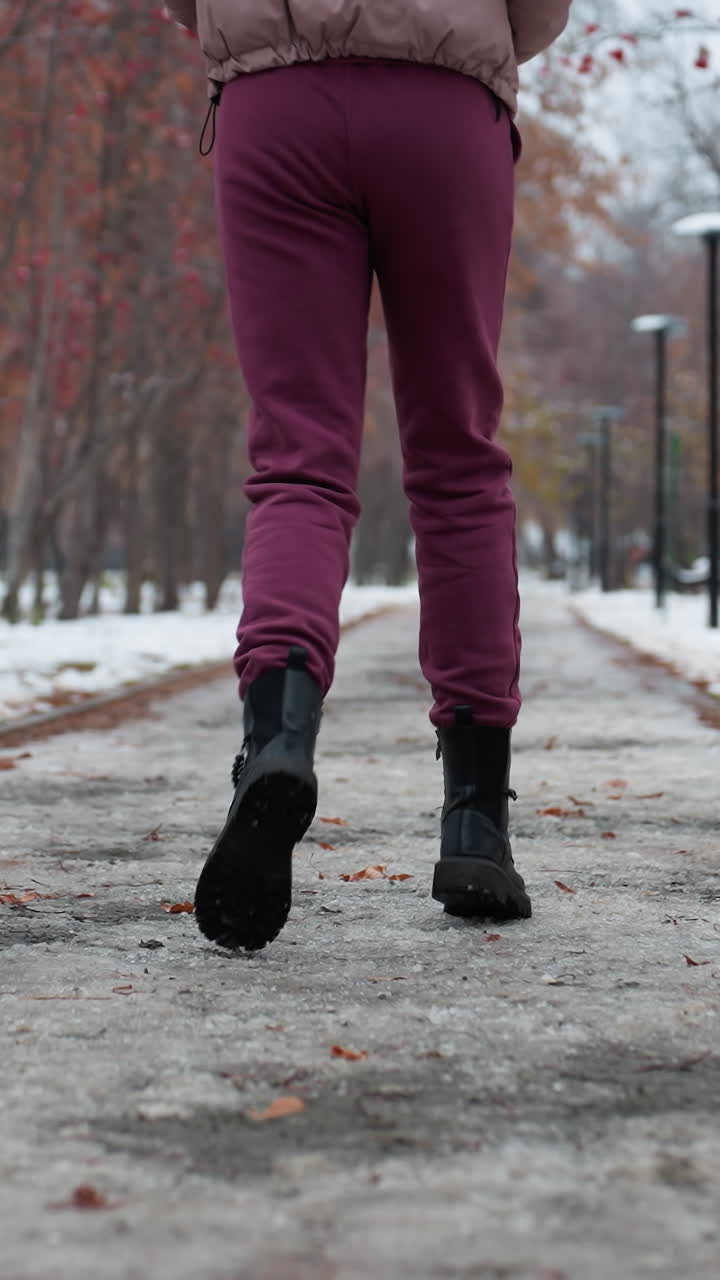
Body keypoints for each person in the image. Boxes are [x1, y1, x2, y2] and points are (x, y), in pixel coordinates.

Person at [165, 0, 573, 951]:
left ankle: (279, 735)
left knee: (298, 456)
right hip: (444, 107)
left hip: (277, 107)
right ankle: (475, 819)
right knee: (460, 461)